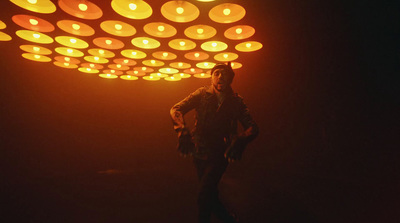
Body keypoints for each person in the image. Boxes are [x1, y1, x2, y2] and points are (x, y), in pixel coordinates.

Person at [170, 62, 259, 223]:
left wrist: (241, 140)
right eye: (217, 73)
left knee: (204, 194)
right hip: (199, 152)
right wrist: (181, 130)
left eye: (224, 74)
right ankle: (229, 219)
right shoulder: (202, 94)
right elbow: (176, 109)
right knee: (209, 193)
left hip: (220, 153)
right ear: (211, 76)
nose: (220, 77)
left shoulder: (236, 101)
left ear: (231, 79)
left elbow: (253, 127)